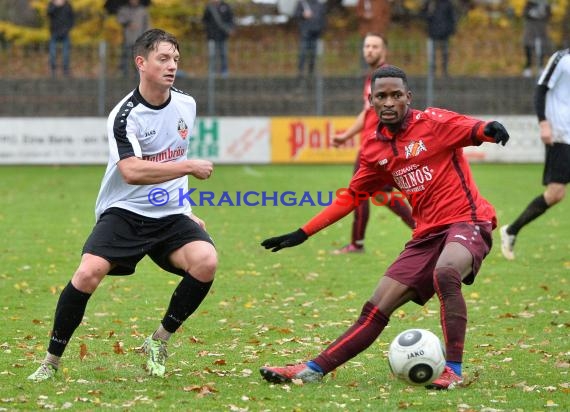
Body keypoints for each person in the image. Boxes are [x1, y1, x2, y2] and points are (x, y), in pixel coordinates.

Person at [259, 65, 510, 390]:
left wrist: (490, 129)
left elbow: (473, 129)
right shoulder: (374, 150)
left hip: (468, 220)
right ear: (372, 101)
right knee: (376, 307)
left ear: (408, 97)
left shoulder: (432, 123)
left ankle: (453, 370)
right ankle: (311, 369)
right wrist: (302, 232)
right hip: (426, 235)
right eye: (381, 96)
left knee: (447, 273)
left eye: (395, 95)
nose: (389, 102)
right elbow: (352, 197)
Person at [27, 28, 217, 382]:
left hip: (169, 212)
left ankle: (159, 340)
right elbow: (131, 171)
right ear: (141, 63)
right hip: (125, 213)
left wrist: (186, 208)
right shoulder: (125, 115)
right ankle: (51, 361)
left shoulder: (186, 104)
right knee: (86, 274)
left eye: (176, 59)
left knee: (206, 261)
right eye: (163, 58)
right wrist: (189, 166)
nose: (172, 65)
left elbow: (176, 156)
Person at [331, 33, 415, 254]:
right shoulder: (373, 77)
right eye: (366, 46)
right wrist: (347, 136)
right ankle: (423, 230)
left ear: (384, 51)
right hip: (374, 144)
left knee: (358, 192)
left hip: (377, 145)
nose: (369, 50)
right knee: (379, 194)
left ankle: (356, 243)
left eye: (374, 46)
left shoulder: (386, 78)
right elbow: (367, 112)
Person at [500, 48, 570, 261]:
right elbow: (540, 89)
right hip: (561, 134)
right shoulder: (561, 58)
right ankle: (511, 230)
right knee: (555, 193)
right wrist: (543, 123)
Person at [421, 0, 456, 78]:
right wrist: (428, 13)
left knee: (445, 53)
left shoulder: (447, 3)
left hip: (444, 33)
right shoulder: (430, 3)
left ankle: (444, 71)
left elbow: (452, 17)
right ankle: (432, 72)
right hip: (432, 32)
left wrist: (451, 30)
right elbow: (422, 15)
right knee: (432, 54)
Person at [294, 0, 327, 78]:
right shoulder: (302, 3)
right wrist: (303, 15)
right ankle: (300, 71)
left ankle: (311, 72)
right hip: (305, 32)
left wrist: (321, 29)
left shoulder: (319, 5)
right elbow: (295, 14)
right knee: (303, 52)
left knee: (313, 54)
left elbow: (323, 18)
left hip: (316, 33)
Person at [117, 0, 151, 77]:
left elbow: (148, 25)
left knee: (139, 57)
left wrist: (146, 37)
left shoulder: (143, 10)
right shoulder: (124, 9)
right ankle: (124, 75)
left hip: (140, 39)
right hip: (127, 38)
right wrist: (128, 23)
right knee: (125, 57)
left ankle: (138, 75)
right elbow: (120, 19)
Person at [202, 0, 235, 77]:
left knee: (223, 54)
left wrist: (230, 29)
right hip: (211, 36)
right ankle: (212, 71)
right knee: (212, 54)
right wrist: (208, 30)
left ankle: (224, 71)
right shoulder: (209, 7)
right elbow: (204, 21)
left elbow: (231, 19)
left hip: (223, 36)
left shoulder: (226, 6)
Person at [356, 0, 391, 71]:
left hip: (379, 32)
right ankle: (364, 71)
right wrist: (364, 15)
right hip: (366, 32)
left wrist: (382, 24)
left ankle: (381, 69)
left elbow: (386, 14)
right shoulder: (362, 1)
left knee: (379, 52)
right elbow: (358, 12)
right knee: (366, 53)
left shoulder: (382, 2)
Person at [522, 0, 551, 78]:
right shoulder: (530, 3)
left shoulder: (545, 4)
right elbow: (524, 13)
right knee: (528, 45)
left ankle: (541, 66)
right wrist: (531, 13)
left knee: (542, 47)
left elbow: (549, 15)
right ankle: (528, 67)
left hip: (541, 28)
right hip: (530, 27)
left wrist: (543, 14)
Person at [47, 0, 74, 78]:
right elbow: (48, 13)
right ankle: (53, 71)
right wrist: (56, 5)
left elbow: (72, 17)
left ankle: (65, 70)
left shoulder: (68, 5)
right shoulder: (51, 4)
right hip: (54, 32)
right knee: (52, 53)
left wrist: (68, 28)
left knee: (66, 53)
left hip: (65, 32)